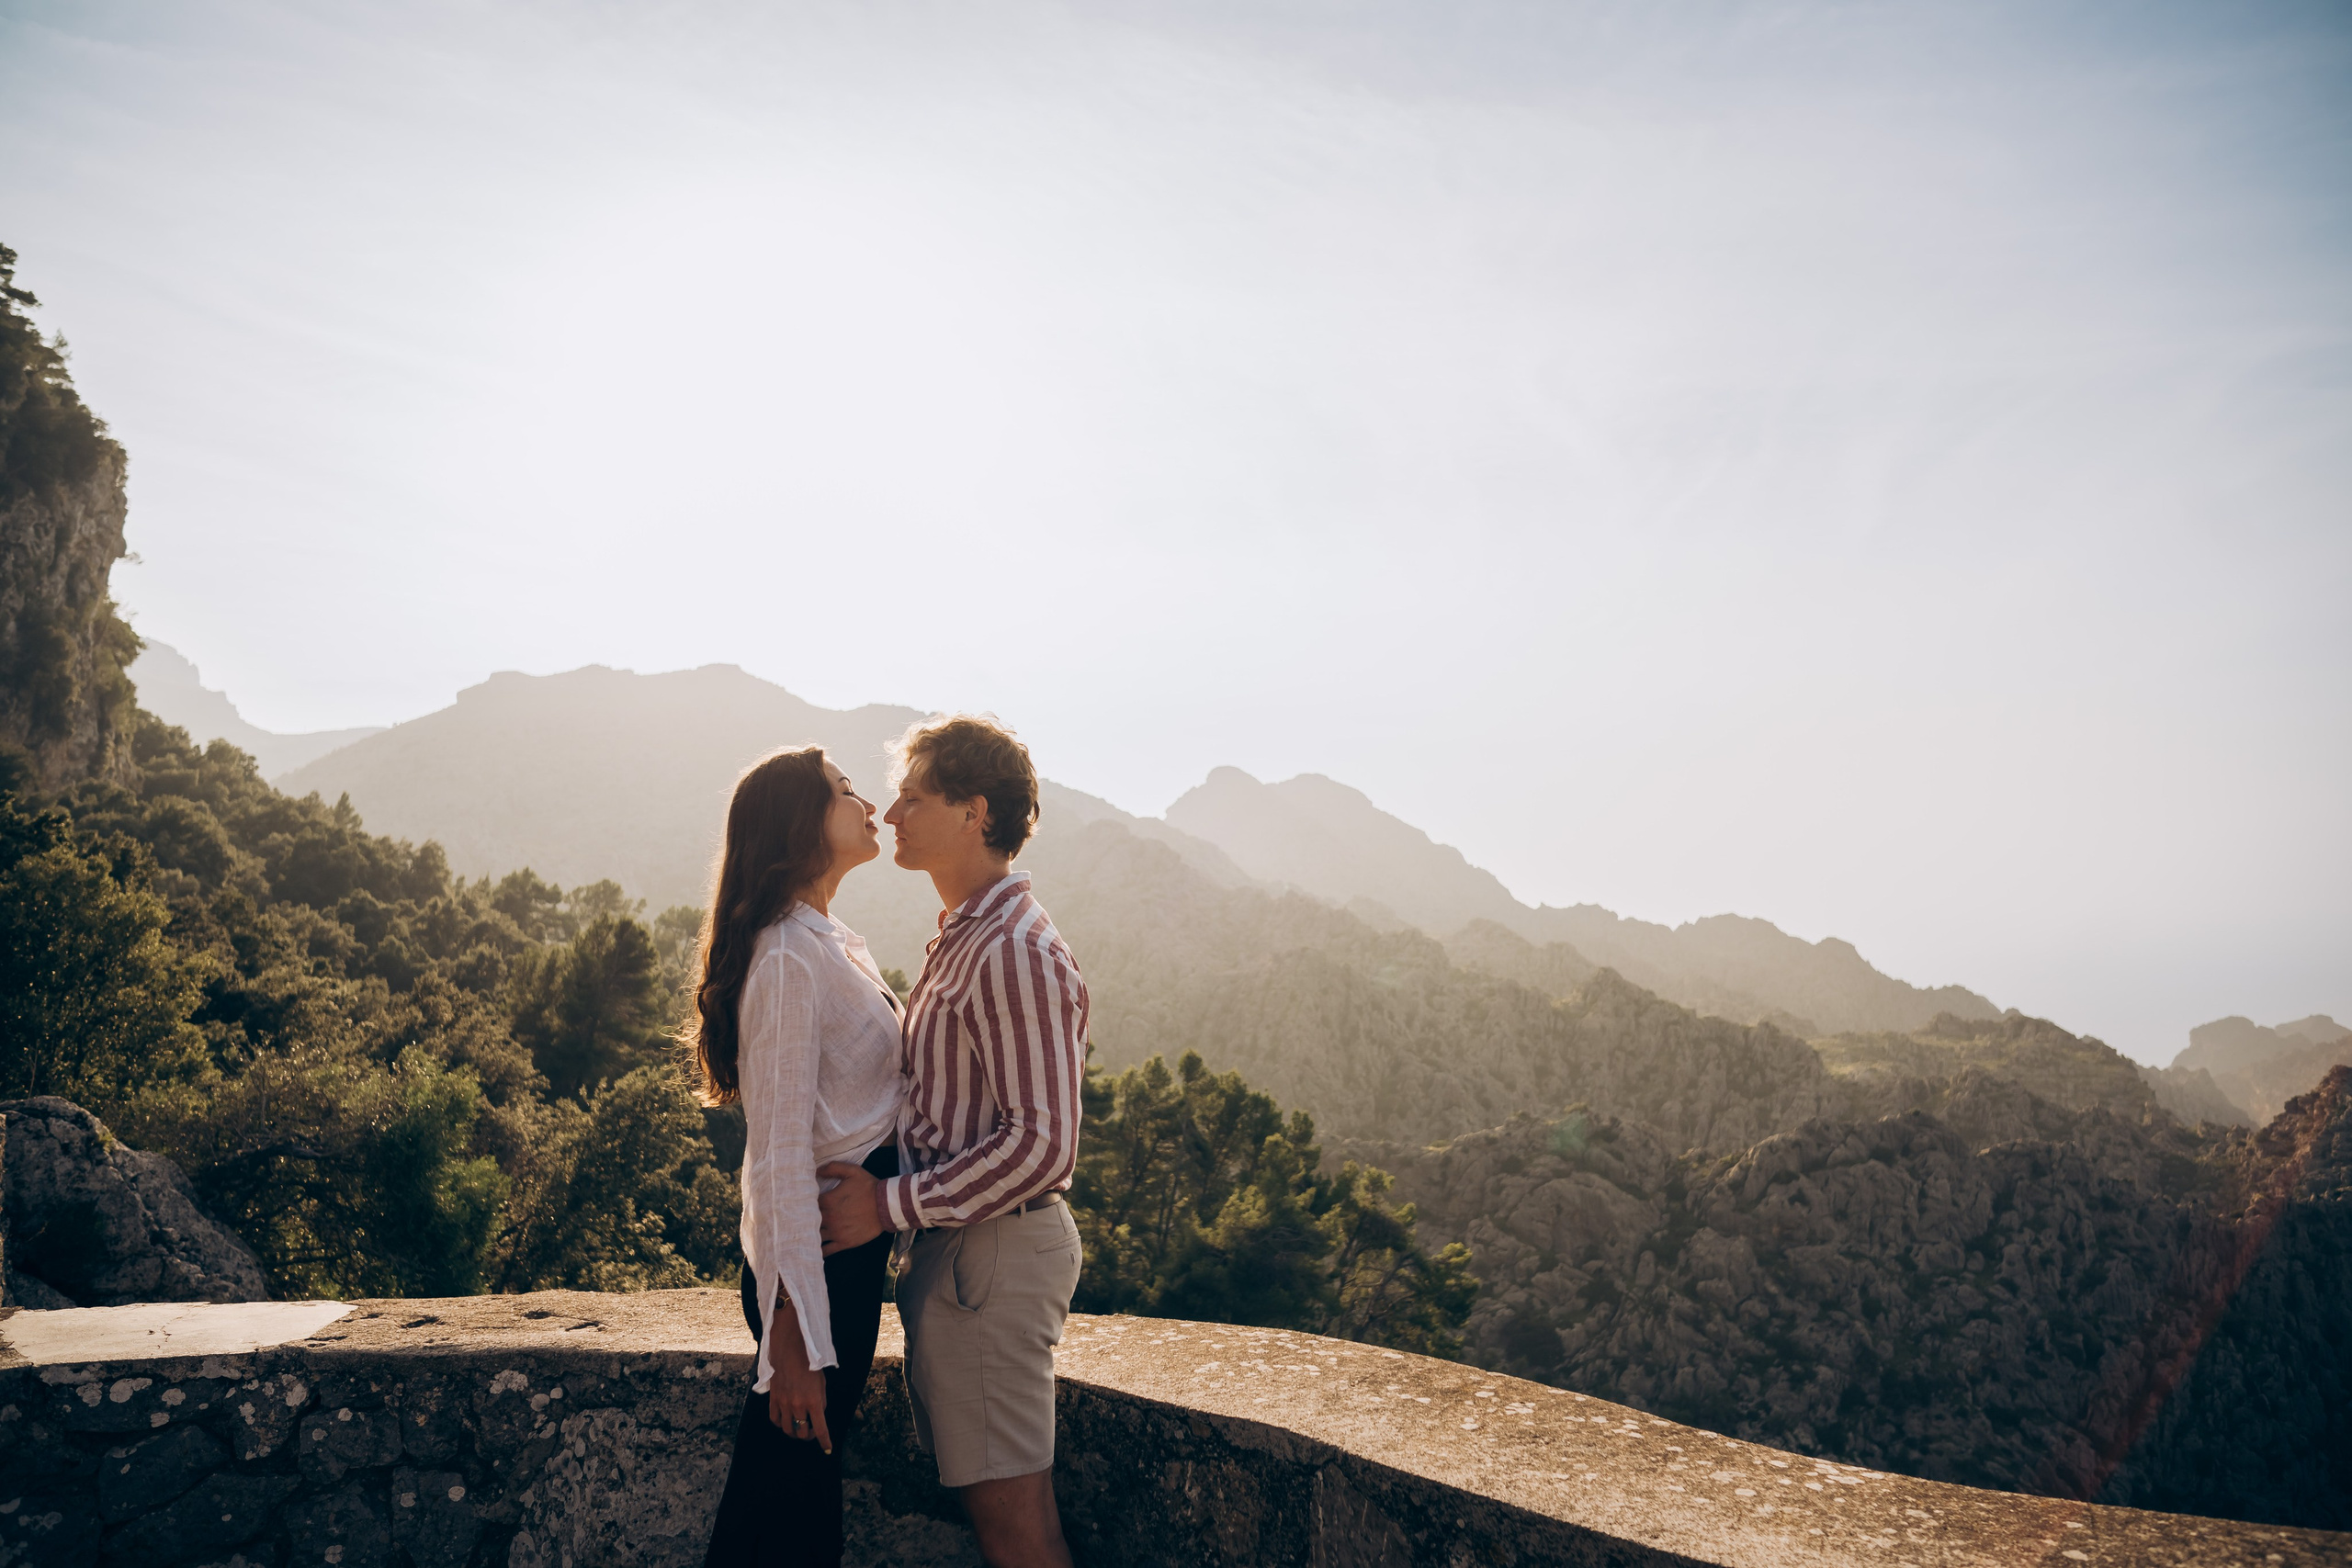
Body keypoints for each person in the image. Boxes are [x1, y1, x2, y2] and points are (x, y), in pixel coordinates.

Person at [817, 716, 1086, 1568]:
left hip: (992, 1260)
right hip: (967, 1258)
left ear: (974, 812)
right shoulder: (967, 933)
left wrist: (888, 1204)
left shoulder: (1013, 949)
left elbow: (1043, 1145)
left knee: (1016, 1529)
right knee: (1000, 1519)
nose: (890, 813)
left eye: (913, 797)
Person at [695, 746, 906, 1568]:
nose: (868, 804)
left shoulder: (828, 940)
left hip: (840, 1259)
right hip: (817, 1272)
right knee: (783, 1514)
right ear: (799, 825)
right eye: (845, 791)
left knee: (788, 1510)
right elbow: (777, 1154)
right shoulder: (787, 957)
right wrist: (792, 1333)